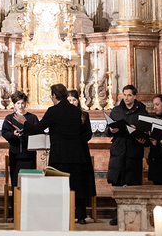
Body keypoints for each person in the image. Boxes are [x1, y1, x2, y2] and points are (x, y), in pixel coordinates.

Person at [28, 83, 85, 208]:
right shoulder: (76, 111)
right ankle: (80, 214)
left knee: (58, 186)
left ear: (54, 96)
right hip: (76, 154)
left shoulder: (53, 111)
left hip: (60, 155)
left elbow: (38, 128)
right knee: (77, 186)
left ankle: (60, 212)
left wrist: (24, 123)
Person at [106, 85, 148, 189]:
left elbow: (147, 132)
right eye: (124, 95)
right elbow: (107, 129)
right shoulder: (116, 111)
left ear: (134, 96)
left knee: (132, 183)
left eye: (129, 95)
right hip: (118, 150)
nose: (126, 98)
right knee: (117, 182)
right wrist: (111, 130)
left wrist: (136, 129)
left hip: (133, 150)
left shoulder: (142, 112)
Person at [67, 89, 96, 225]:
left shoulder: (84, 115)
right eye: (69, 100)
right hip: (67, 153)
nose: (71, 102)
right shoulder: (63, 115)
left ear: (78, 101)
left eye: (74, 100)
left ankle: (81, 215)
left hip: (81, 152)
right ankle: (67, 213)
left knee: (80, 183)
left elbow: (88, 133)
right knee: (68, 183)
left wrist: (77, 140)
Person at [1, 90, 40, 188]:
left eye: (22, 103)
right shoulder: (9, 118)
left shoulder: (32, 118)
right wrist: (13, 134)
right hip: (15, 154)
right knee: (16, 182)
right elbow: (5, 133)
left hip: (29, 154)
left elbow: (37, 132)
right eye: (18, 103)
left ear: (26, 103)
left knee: (30, 183)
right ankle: (15, 198)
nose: (20, 106)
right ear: (14, 104)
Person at [147, 94, 162, 185]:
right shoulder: (154, 118)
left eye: (157, 104)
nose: (154, 108)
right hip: (155, 160)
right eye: (154, 105)